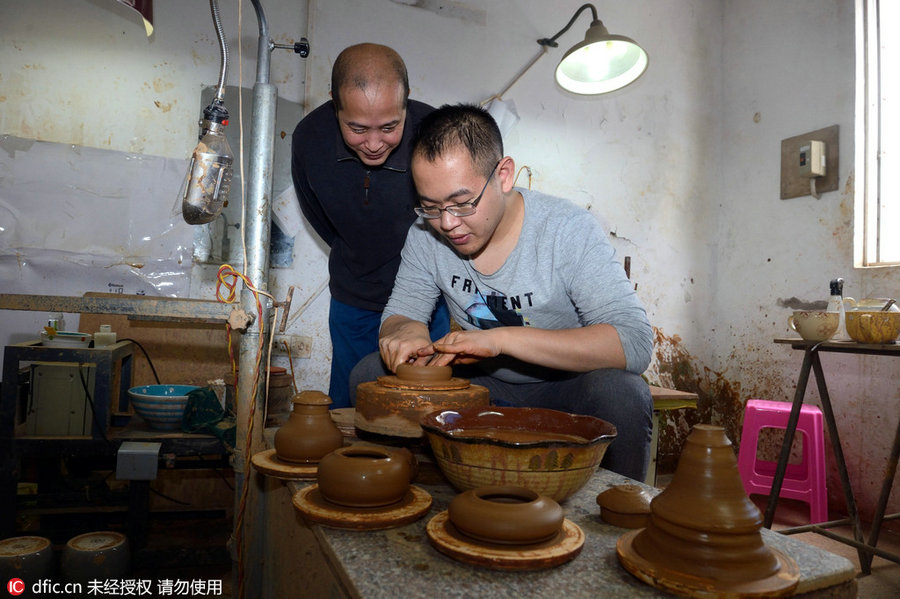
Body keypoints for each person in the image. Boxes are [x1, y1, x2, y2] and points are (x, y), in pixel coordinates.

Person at [350, 104, 654, 481]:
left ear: (504, 175)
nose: (447, 224)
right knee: (367, 373)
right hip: (482, 387)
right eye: (431, 207)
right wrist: (406, 332)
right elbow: (401, 312)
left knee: (622, 394)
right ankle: (407, 497)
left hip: (565, 389)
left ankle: (617, 519)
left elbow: (635, 342)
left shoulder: (567, 230)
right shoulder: (425, 237)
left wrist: (501, 340)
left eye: (462, 203)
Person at [290, 43, 449, 409]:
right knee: (350, 402)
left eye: (390, 127)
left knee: (424, 404)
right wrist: (355, 252)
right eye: (357, 128)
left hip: (426, 301)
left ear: (406, 102)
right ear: (335, 105)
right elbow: (317, 213)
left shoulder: (436, 133)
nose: (375, 144)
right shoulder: (309, 139)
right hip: (354, 296)